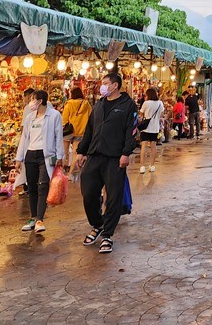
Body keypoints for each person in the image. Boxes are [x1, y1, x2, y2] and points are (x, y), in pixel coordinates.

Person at [75, 73, 138, 254]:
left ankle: (107, 235)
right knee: (88, 193)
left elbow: (131, 131)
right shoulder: (99, 105)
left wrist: (126, 153)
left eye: (105, 83)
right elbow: (89, 130)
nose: (102, 86)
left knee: (113, 198)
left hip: (115, 158)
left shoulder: (128, 105)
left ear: (115, 85)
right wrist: (81, 151)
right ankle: (98, 224)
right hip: (95, 156)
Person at [15, 89, 65, 234]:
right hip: (30, 154)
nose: (30, 102)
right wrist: (19, 158)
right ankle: (33, 217)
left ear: (40, 101)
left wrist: (60, 156)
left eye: (33, 99)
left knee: (43, 186)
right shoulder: (30, 117)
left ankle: (40, 219)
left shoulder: (54, 115)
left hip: (46, 156)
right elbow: (24, 138)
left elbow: (58, 136)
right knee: (32, 187)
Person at [61, 87, 92, 175]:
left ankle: (63, 170)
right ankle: (71, 172)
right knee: (75, 152)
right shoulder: (86, 104)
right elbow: (91, 118)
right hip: (81, 131)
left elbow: (64, 119)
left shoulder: (69, 104)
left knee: (64, 151)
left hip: (68, 131)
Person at [137, 88, 165, 173]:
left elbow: (141, 113)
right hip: (155, 127)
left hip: (146, 127)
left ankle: (142, 166)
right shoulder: (160, 103)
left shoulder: (146, 103)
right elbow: (162, 114)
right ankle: (152, 165)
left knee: (143, 146)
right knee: (153, 146)